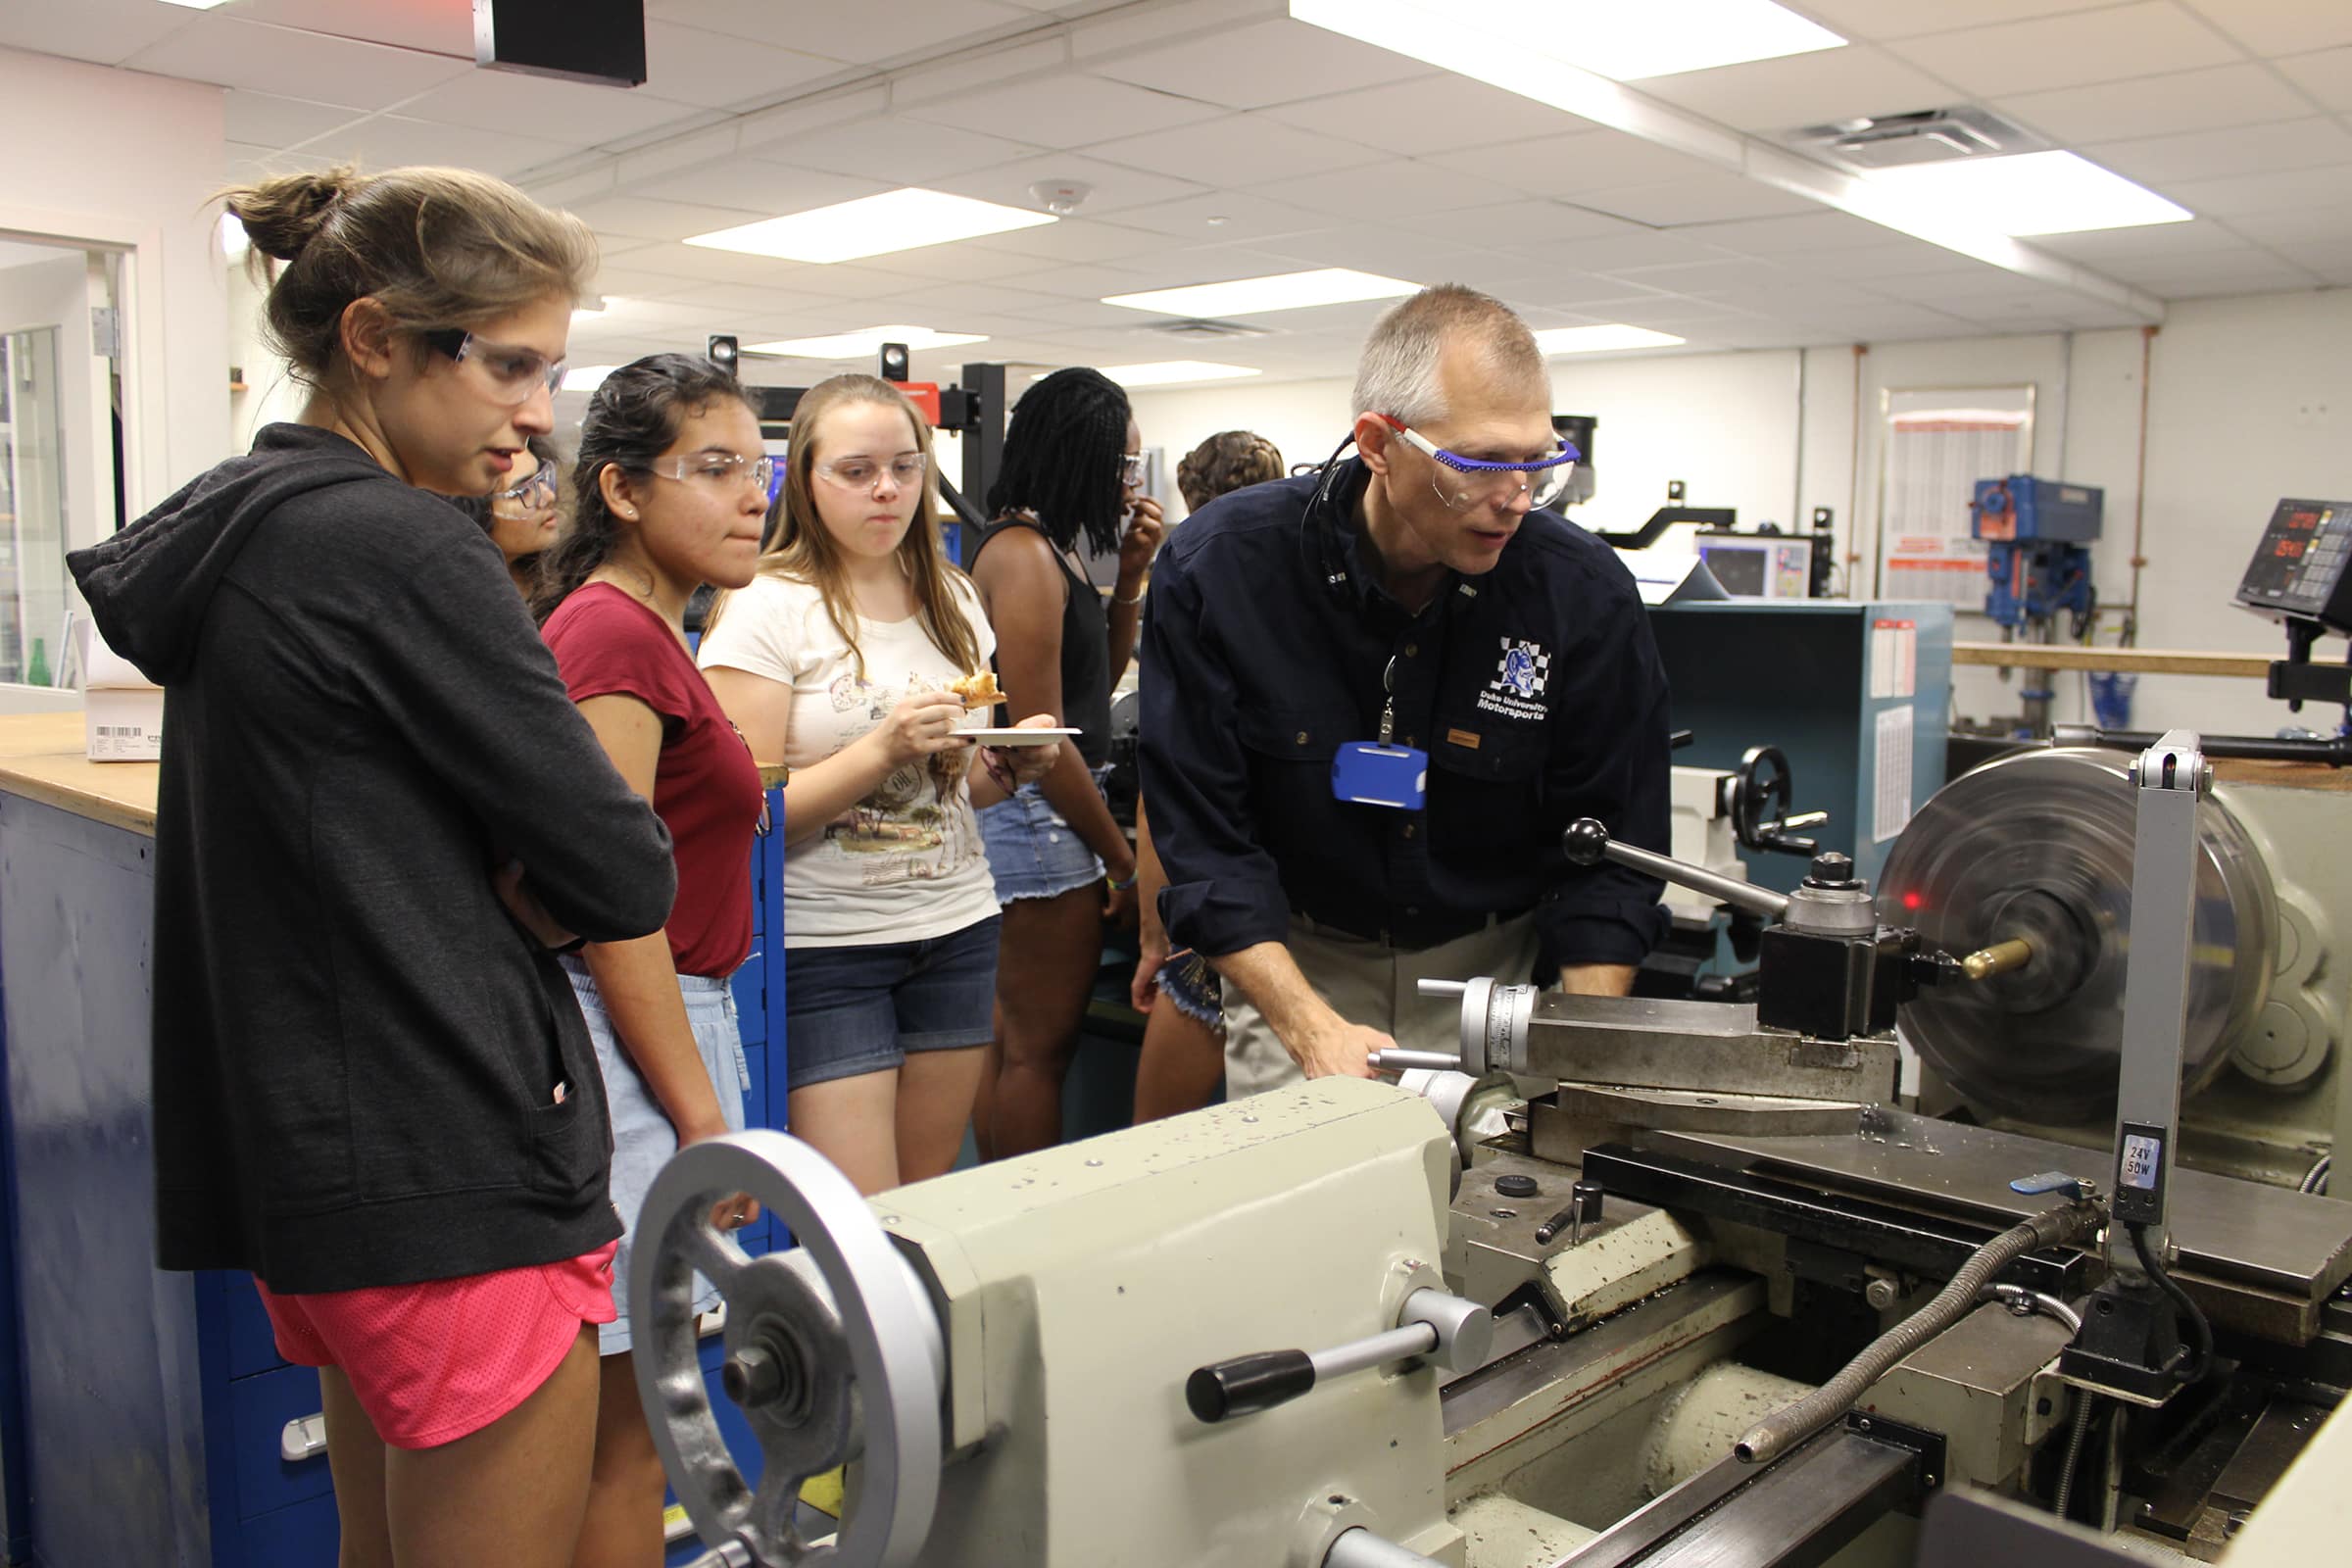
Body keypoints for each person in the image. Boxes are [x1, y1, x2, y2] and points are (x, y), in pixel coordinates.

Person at [66, 167, 675, 1568]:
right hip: (450, 1159)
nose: (538, 414)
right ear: (376, 341)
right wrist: (522, 873)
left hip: (324, 1171)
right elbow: (621, 871)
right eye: (509, 365)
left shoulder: (254, 532)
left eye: (552, 370)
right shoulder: (405, 549)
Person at [1138, 285, 1672, 1096]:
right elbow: (1210, 849)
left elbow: (1612, 855)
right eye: (1482, 465)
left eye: (1538, 464)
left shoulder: (1581, 594)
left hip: (1499, 974)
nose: (1516, 499)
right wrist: (1311, 1031)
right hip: (1302, 967)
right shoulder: (1222, 571)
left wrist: (1581, 1051)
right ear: (1380, 444)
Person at [699, 374, 1060, 1196]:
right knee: (855, 1219)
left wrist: (1004, 768)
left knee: (922, 1205)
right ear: (806, 477)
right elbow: (743, 818)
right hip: (827, 945)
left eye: (905, 465)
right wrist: (885, 747)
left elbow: (947, 795)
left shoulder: (955, 598)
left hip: (957, 925)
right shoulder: (763, 604)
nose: (888, 489)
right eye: (856, 471)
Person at [530, 354, 770, 1568]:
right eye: (714, 470)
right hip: (637, 1035)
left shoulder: (647, 627)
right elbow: (610, 908)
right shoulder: (615, 637)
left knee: (640, 1421)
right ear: (621, 490)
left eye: (758, 469)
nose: (752, 497)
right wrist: (696, 1117)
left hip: (671, 1021)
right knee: (629, 1438)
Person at [964, 368, 1163, 1158]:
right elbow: (1044, 741)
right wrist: (1122, 864)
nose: (1130, 485)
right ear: (1079, 455)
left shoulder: (1057, 551)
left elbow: (1090, 696)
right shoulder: (1022, 555)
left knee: (1021, 1048)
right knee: (1032, 1053)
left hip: (1048, 811)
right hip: (1037, 822)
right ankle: (1019, 1218)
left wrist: (1134, 579)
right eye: (1123, 466)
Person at [1131, 430, 1286, 1124]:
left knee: (1156, 1148)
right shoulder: (1310, 605)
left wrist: (1152, 942)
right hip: (1305, 929)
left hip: (1214, 940)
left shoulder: (1189, 589)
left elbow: (1160, 805)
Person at [445, 431, 564, 596]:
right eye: (523, 491)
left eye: (542, 478)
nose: (549, 496)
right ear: (477, 514)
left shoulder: (565, 579)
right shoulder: (460, 602)